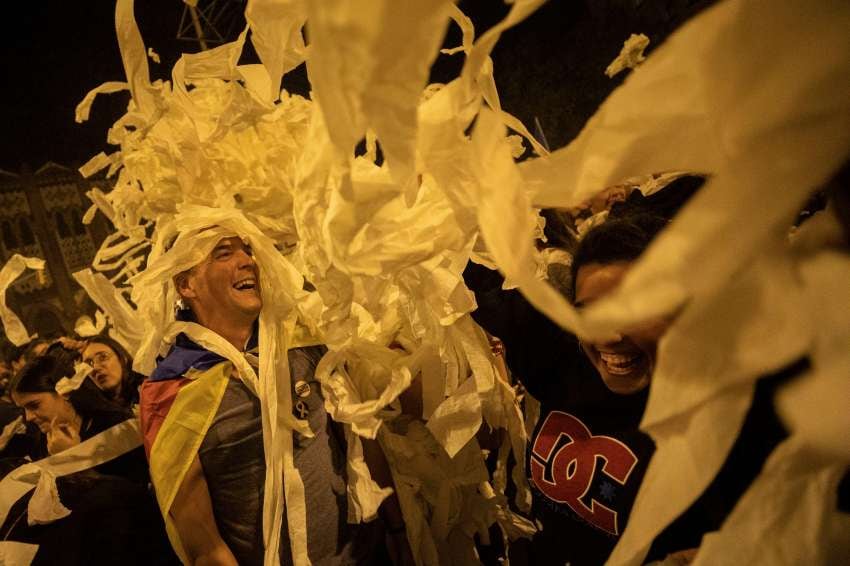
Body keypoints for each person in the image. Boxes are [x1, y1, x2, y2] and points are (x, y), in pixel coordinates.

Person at [140, 235, 408, 565]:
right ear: (187, 285)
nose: (247, 260)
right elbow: (204, 544)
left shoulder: (303, 343)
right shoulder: (172, 392)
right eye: (224, 253)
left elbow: (361, 440)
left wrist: (398, 529)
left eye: (247, 250)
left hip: (369, 554)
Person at [1, 343, 178, 565]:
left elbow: (131, 499)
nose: (29, 417)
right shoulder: (41, 441)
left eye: (34, 405)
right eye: (23, 409)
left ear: (64, 393)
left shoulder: (118, 430)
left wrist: (71, 461)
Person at [81, 333, 143, 408]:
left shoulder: (148, 390)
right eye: (88, 364)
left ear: (123, 358)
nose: (95, 368)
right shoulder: (95, 413)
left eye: (103, 357)